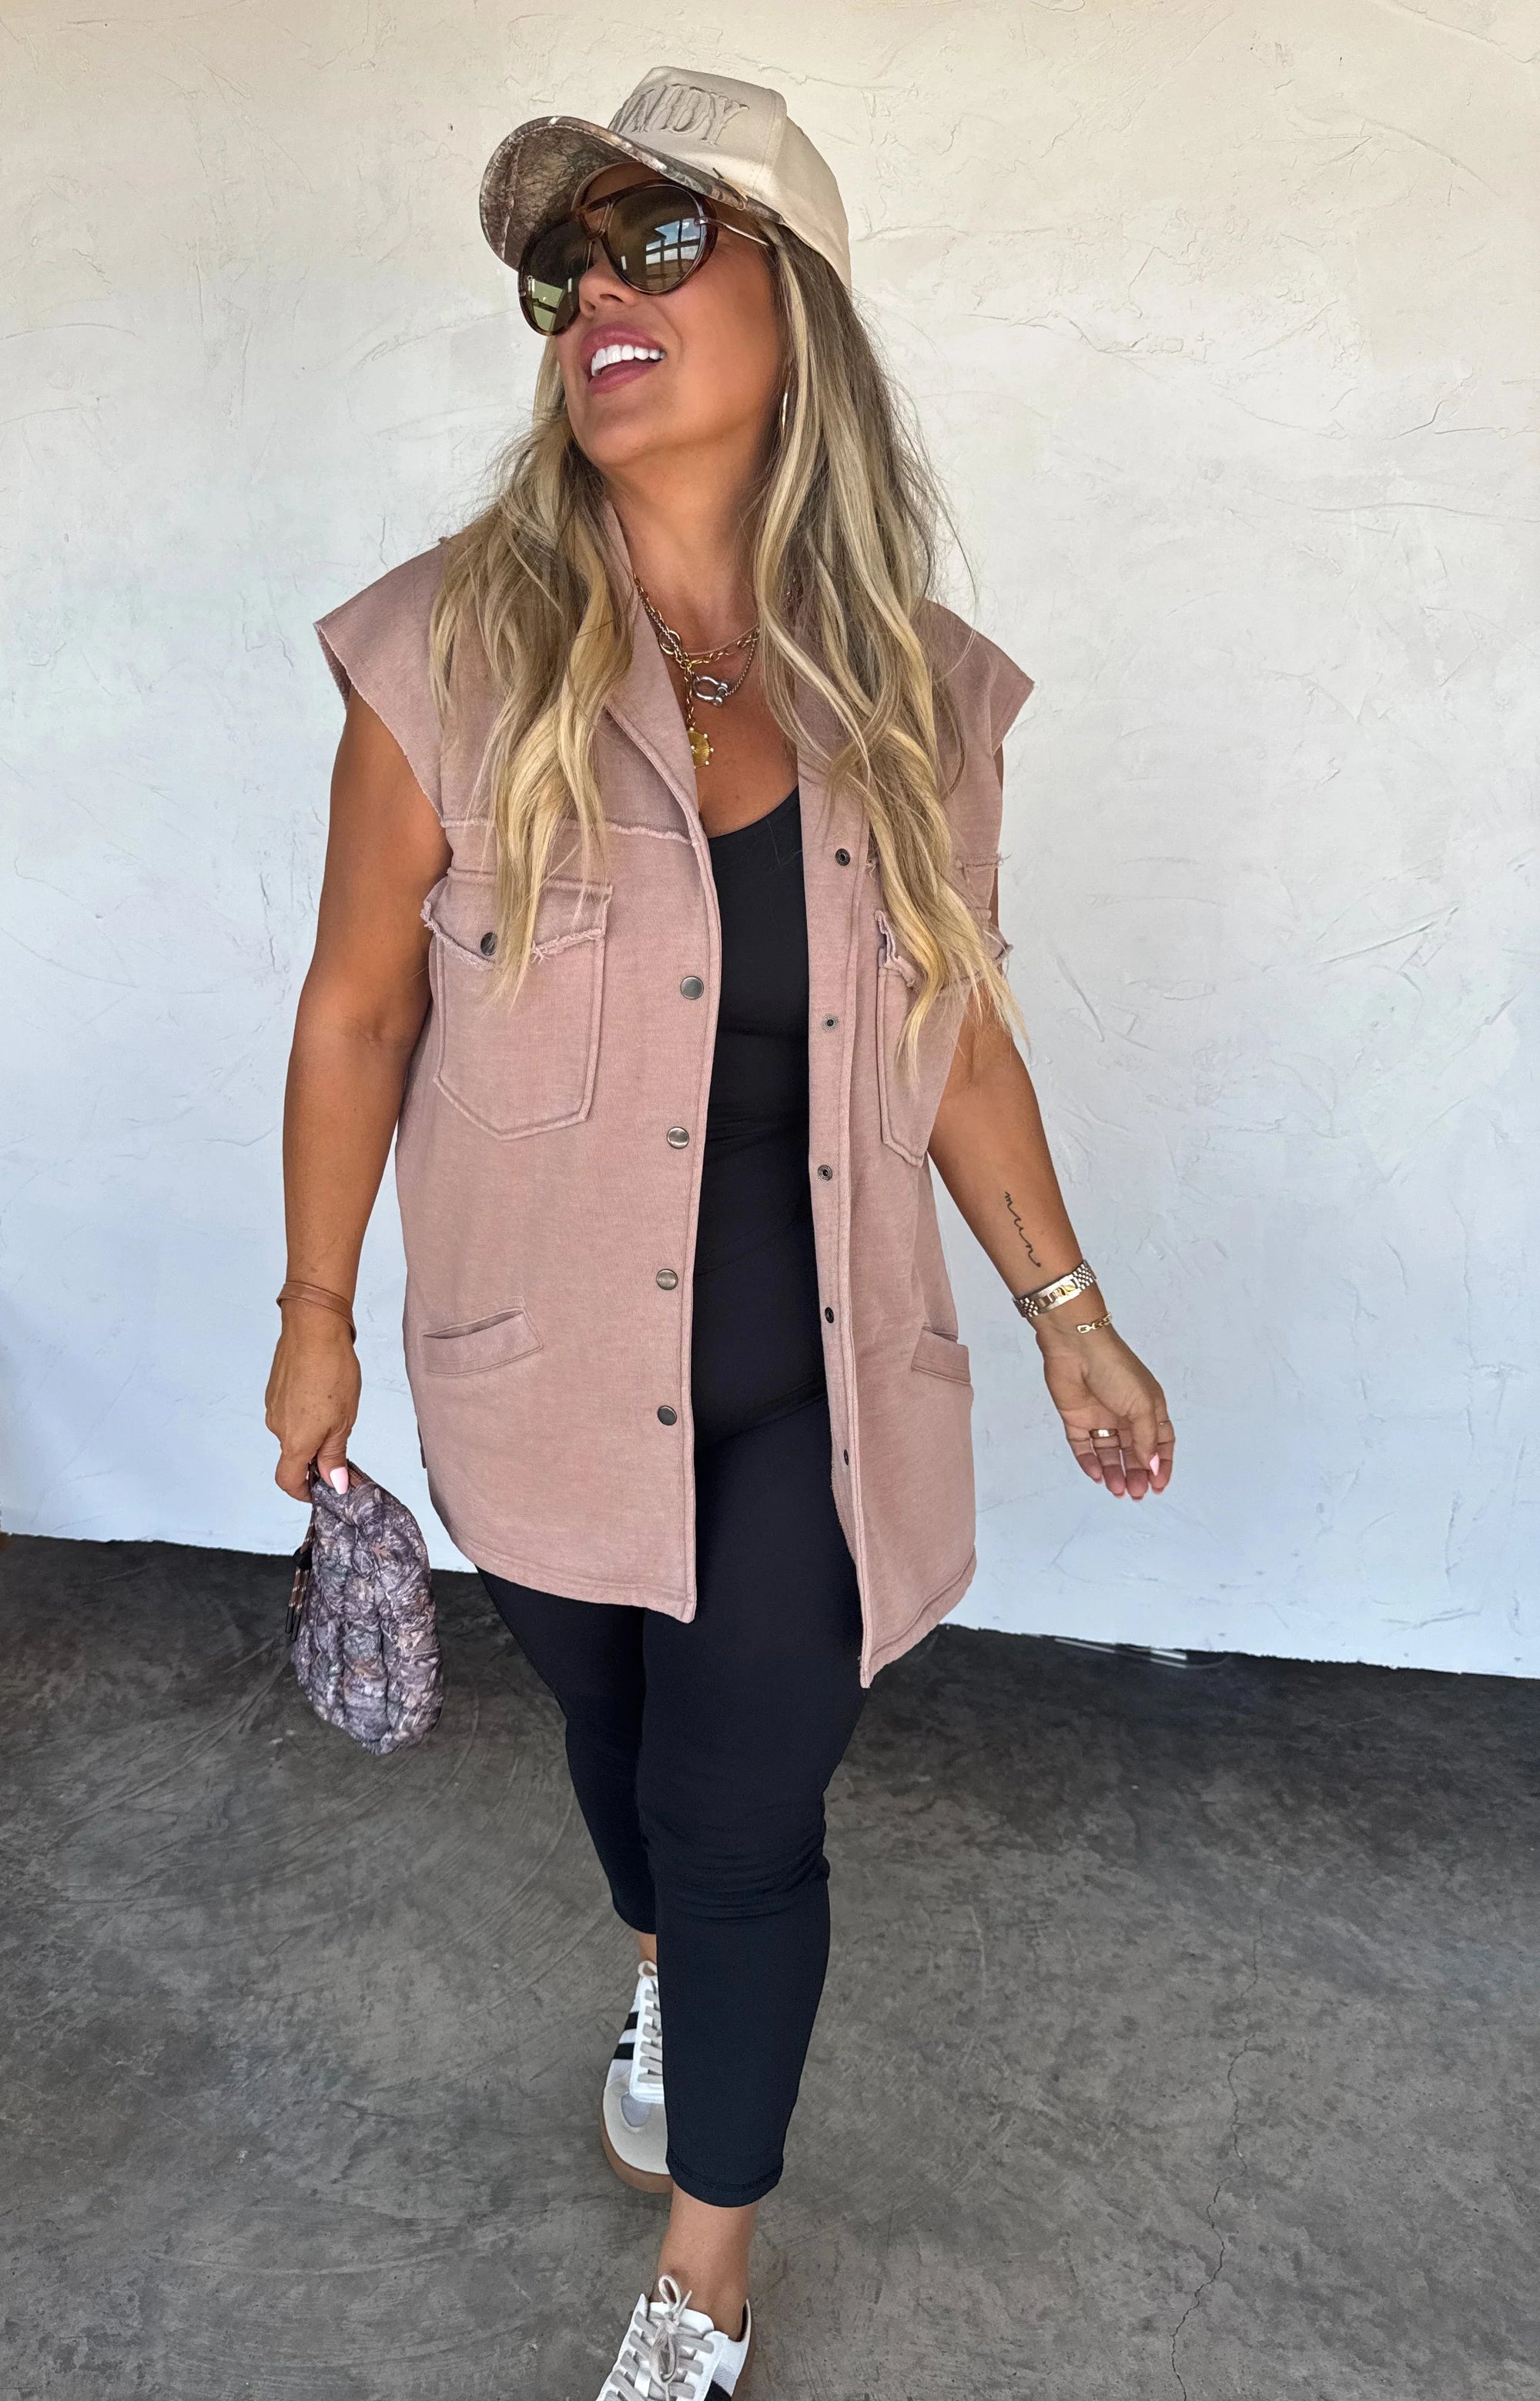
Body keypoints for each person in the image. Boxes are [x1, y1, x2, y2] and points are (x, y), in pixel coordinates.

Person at [265, 65, 1174, 2400]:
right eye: (564, 265)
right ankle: (661, 1967)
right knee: (619, 1735)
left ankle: (708, 2273)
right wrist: (314, 1314)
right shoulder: (442, 654)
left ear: (803, 307)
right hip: (535, 1368)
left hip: (817, 1388)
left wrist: (1066, 1306)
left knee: (740, 1805)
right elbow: (358, 1009)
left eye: (661, 237)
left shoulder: (919, 693)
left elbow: (956, 1032)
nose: (597, 288)